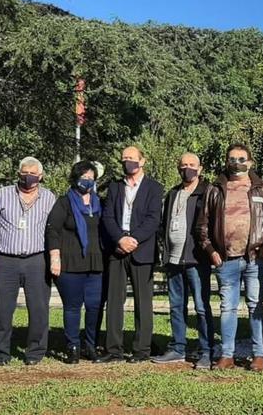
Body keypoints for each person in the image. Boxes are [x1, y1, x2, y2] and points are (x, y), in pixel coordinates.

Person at [197, 144, 263, 372]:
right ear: (226, 161)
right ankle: (227, 355)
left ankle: (258, 355)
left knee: (255, 305)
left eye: (242, 158)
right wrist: (211, 251)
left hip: (254, 258)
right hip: (225, 259)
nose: (237, 162)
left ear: (250, 162)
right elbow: (203, 225)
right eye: (232, 159)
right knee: (227, 307)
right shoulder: (215, 189)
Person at [0, 156, 56, 366]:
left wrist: (55, 257)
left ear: (40, 176)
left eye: (33, 174)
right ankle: (1, 353)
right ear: (18, 173)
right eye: (25, 173)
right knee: (2, 310)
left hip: (37, 260)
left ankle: (35, 353)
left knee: (39, 309)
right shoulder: (3, 194)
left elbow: (55, 230)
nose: (28, 177)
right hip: (5, 261)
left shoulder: (49, 198)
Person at [97, 146, 164, 363]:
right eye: (124, 159)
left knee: (143, 303)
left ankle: (142, 349)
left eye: (132, 159)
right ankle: (113, 349)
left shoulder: (154, 188)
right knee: (114, 301)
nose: (128, 162)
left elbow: (154, 219)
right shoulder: (115, 187)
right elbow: (107, 217)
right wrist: (120, 239)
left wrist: (133, 239)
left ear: (142, 161)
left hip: (141, 250)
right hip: (117, 249)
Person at [152, 153, 215, 370]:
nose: (187, 169)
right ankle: (178, 348)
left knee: (201, 306)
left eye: (192, 165)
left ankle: (206, 350)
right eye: (183, 165)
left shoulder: (207, 192)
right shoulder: (172, 193)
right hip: (174, 259)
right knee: (176, 306)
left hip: (196, 259)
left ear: (200, 168)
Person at [46, 160, 104, 364]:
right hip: (69, 263)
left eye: (91, 178)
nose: (87, 181)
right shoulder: (64, 202)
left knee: (95, 306)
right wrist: (55, 257)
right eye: (83, 177)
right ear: (75, 178)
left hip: (95, 264)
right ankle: (72, 346)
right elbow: (53, 230)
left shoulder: (99, 203)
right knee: (72, 307)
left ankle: (90, 344)